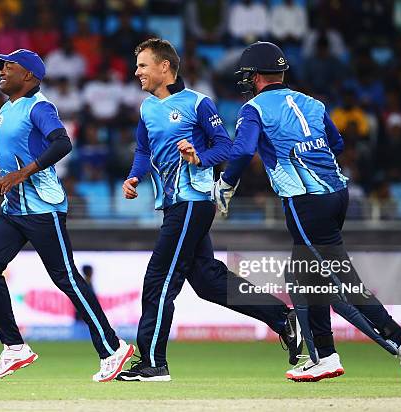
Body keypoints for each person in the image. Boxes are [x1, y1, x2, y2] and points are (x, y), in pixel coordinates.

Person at [215, 41, 401, 384]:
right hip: (337, 194)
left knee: (343, 278)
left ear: (255, 76)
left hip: (305, 200)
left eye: (247, 75)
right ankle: (324, 357)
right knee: (301, 277)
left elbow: (241, 152)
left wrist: (225, 185)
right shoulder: (312, 102)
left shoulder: (253, 109)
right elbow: (337, 143)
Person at [116, 39, 300, 382]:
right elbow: (143, 149)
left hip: (194, 201)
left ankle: (153, 362)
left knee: (159, 277)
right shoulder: (146, 109)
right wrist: (134, 177)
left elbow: (227, 147)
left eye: (143, 65)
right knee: (207, 281)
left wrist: (199, 158)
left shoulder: (198, 104)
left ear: (165, 67)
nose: (136, 71)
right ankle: (282, 318)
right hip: (174, 205)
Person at [0, 49, 134, 382]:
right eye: (2, 65)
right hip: (15, 208)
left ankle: (113, 348)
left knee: (67, 278)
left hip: (43, 208)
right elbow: (23, 149)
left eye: (9, 66)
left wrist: (23, 173)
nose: (2, 70)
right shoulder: (8, 108)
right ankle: (14, 348)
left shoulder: (40, 106)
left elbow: (62, 143)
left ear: (29, 76)